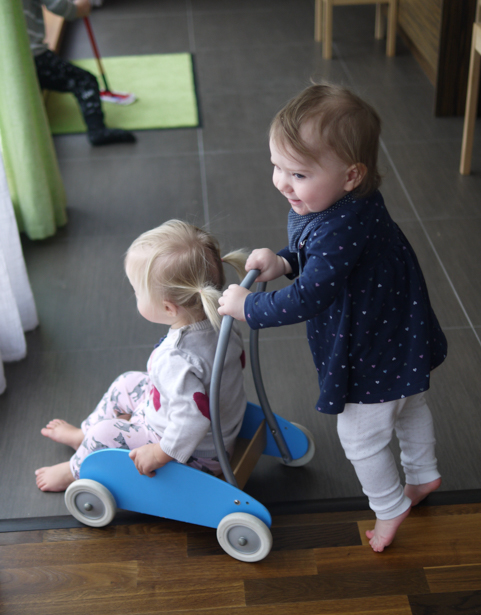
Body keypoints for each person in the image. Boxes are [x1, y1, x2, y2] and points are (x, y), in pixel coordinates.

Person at [218, 83, 447, 553]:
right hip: (399, 332)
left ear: (350, 175)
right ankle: (423, 474)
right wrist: (283, 261)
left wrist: (249, 308)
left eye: (298, 174)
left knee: (360, 436)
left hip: (370, 347)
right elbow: (324, 260)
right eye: (277, 166)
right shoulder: (347, 202)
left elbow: (308, 297)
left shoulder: (341, 223)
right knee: (409, 403)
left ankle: (390, 505)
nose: (283, 183)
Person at [36, 220, 248, 492]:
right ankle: (84, 435)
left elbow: (194, 419)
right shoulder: (224, 320)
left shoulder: (176, 358)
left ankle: (74, 469)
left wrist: (159, 453)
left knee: (107, 432)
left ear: (169, 308)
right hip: (212, 430)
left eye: (137, 292)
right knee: (127, 382)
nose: (134, 295)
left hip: (195, 455)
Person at [22, 0, 136, 146]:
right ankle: (97, 130)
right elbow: (60, 7)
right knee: (84, 81)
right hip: (33, 57)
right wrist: (79, 8)